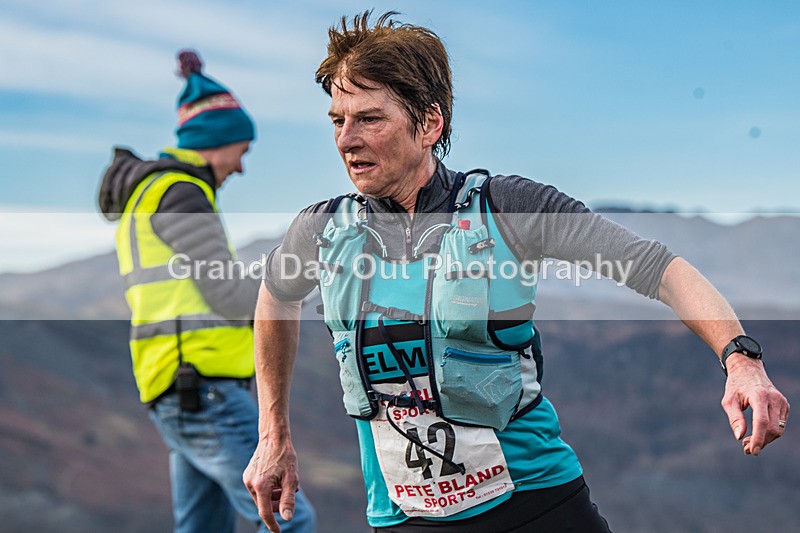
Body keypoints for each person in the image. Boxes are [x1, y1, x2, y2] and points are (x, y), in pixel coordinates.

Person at [243, 12, 789, 533]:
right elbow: (275, 298)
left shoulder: (507, 207)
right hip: (402, 515)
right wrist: (274, 433)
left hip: (536, 504)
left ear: (430, 122)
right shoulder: (320, 230)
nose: (346, 140)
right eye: (338, 121)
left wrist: (740, 359)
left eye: (369, 119)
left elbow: (658, 269)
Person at [98, 49, 316, 533]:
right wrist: (296, 276)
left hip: (177, 388)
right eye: (242, 151)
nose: (240, 168)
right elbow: (231, 297)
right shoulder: (181, 194)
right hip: (204, 387)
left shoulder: (152, 194)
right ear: (216, 142)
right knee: (288, 518)